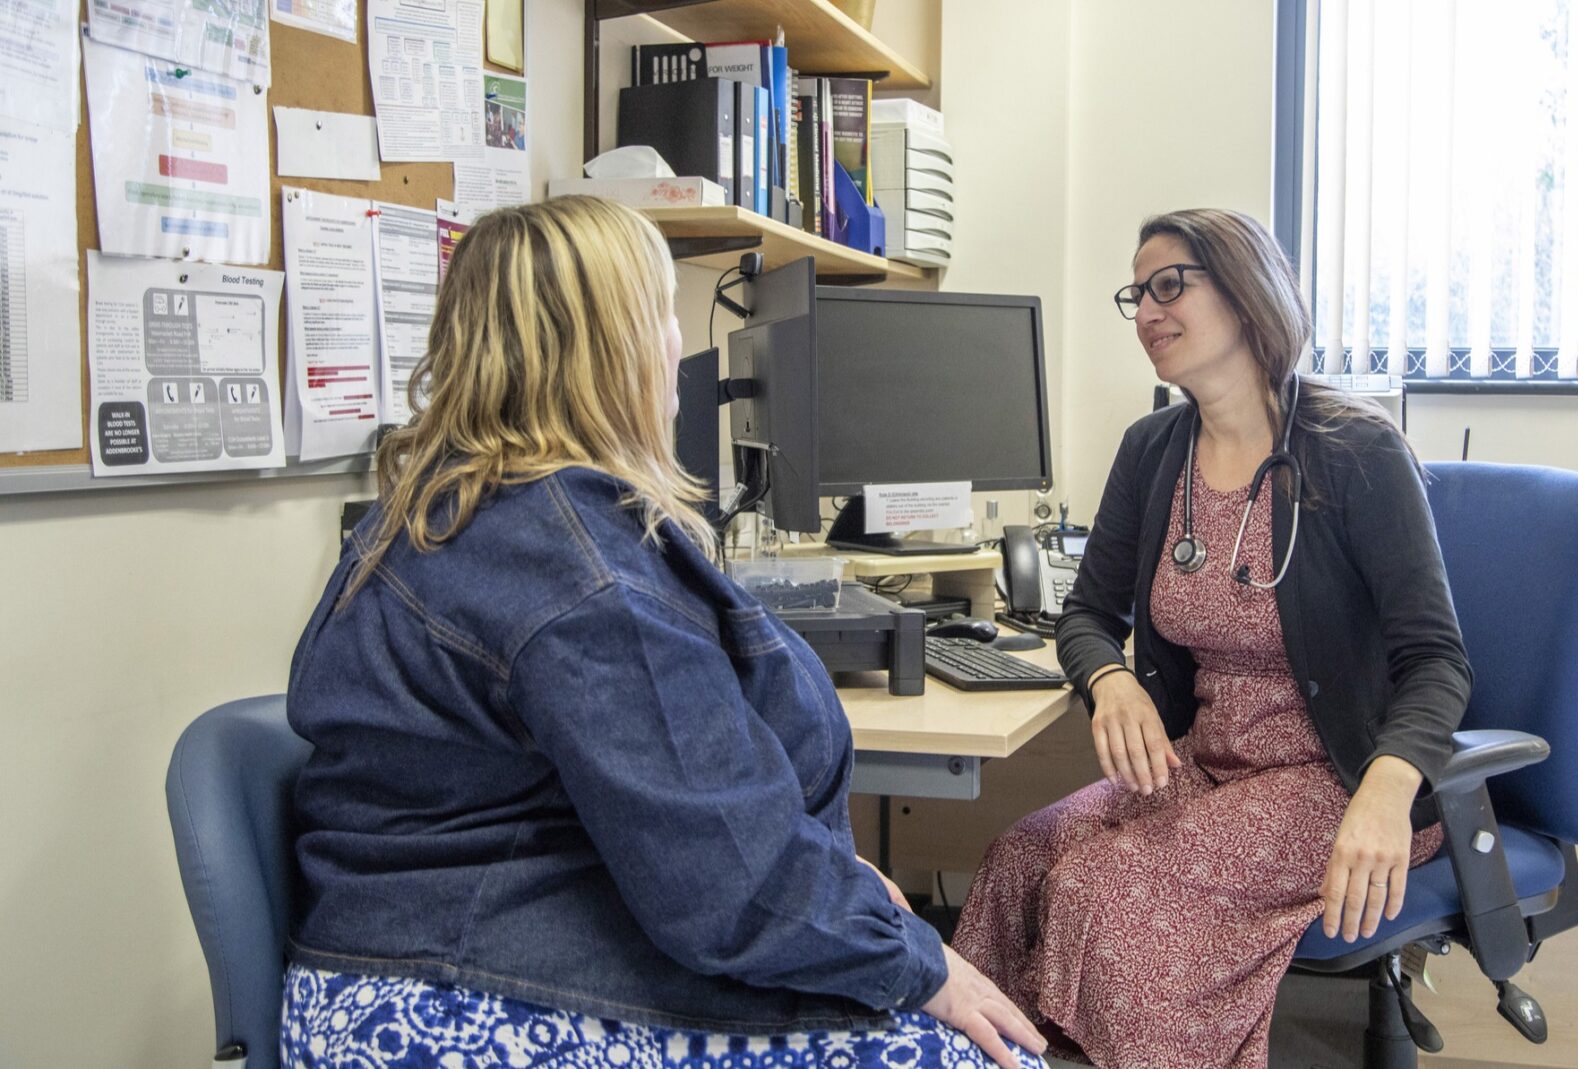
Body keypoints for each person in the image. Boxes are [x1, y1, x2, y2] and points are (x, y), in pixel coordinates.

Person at [282, 195, 1047, 1069]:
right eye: (660, 315)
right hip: (452, 996)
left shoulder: (441, 509)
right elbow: (725, 878)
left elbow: (672, 813)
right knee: (977, 1055)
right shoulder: (574, 567)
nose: (677, 346)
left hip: (403, 963)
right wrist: (914, 959)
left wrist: (834, 891)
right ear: (613, 349)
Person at [950, 208, 1471, 1069]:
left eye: (1170, 286)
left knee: (1100, 892)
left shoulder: (1355, 449)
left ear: (1244, 289)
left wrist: (1388, 789)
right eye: (1137, 294)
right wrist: (1110, 680)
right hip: (1205, 764)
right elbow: (1086, 615)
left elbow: (1437, 660)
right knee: (1018, 861)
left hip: (1334, 779)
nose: (1148, 311)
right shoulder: (1153, 451)